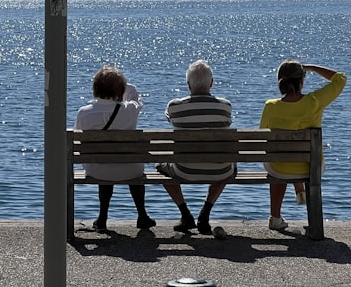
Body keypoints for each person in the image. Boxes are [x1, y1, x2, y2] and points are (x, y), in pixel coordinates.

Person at [260, 60, 347, 231]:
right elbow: (340, 78)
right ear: (301, 81)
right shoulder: (314, 101)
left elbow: (263, 135)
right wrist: (312, 67)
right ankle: (301, 192)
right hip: (310, 167)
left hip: (278, 166)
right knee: (297, 158)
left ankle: (275, 217)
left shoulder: (270, 106)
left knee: (280, 158)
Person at [74, 66, 156, 232]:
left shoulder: (84, 113)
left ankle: (102, 217)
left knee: (104, 161)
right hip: (130, 169)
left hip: (96, 169)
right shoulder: (129, 110)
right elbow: (136, 99)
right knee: (130, 163)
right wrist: (126, 87)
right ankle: (142, 215)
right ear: (120, 89)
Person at [159, 59, 234, 234]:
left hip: (184, 169)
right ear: (212, 83)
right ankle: (205, 214)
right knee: (228, 164)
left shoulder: (174, 106)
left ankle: (185, 214)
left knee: (159, 167)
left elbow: (170, 118)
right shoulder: (225, 106)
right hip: (220, 170)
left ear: (188, 85)